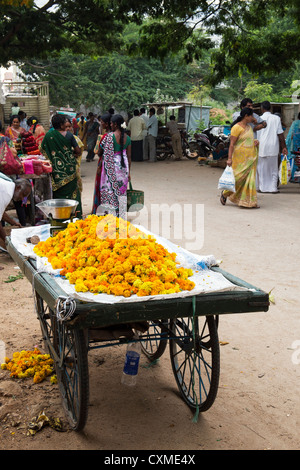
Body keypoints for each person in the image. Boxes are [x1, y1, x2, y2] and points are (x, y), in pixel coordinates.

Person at [41, 114, 82, 218]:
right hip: (70, 170)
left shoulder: (48, 136)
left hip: (56, 172)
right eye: (65, 122)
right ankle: (75, 216)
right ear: (61, 124)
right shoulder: (69, 135)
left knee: (59, 196)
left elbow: (42, 150)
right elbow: (78, 151)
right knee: (73, 193)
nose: (66, 124)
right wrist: (70, 155)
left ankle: (60, 217)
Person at [220, 107, 260, 209]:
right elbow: (232, 144)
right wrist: (229, 158)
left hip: (250, 158)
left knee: (249, 180)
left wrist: (255, 142)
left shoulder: (249, 128)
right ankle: (225, 193)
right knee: (238, 178)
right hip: (239, 159)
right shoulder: (236, 127)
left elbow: (249, 140)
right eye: (251, 116)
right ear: (246, 116)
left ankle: (248, 202)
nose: (252, 118)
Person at [93, 114, 131, 219]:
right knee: (121, 192)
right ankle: (120, 216)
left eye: (111, 123)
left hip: (111, 168)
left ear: (115, 124)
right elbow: (129, 157)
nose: (110, 125)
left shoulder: (109, 137)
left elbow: (99, 152)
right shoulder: (127, 138)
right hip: (123, 168)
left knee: (109, 190)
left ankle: (110, 215)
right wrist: (129, 173)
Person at [256, 101, 287, 193]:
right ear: (270, 108)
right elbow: (280, 134)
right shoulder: (276, 118)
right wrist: (284, 147)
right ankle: (273, 188)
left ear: (262, 109)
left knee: (261, 168)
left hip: (261, 146)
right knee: (273, 168)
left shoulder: (259, 119)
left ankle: (262, 187)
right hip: (273, 146)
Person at [0, 174, 31, 245]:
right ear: (18, 188)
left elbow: (1, 212)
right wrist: (7, 242)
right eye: (23, 194)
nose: (23, 199)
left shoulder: (8, 186)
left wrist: (13, 222)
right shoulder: (7, 193)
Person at [92, 113, 112, 214]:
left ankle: (100, 209)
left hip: (103, 164)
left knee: (101, 186)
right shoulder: (121, 136)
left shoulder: (105, 137)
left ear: (108, 124)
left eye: (102, 122)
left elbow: (99, 152)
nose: (101, 124)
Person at [65, 118, 84, 193]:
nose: (68, 129)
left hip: (74, 167)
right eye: (66, 127)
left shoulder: (76, 139)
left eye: (69, 126)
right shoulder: (60, 139)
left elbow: (79, 153)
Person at [286, 112, 300, 182]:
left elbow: (290, 135)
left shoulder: (295, 123)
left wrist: (287, 144)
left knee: (295, 161)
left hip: (295, 146)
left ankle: (294, 177)